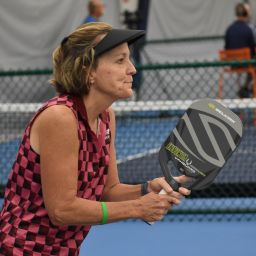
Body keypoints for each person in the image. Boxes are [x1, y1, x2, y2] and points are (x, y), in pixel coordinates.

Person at [0, 22, 191, 255]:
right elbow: (61, 210)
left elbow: (108, 189)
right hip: (20, 249)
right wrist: (137, 208)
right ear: (88, 70)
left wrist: (146, 188)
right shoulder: (60, 117)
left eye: (128, 59)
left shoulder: (106, 116)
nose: (132, 69)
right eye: (120, 61)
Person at [224, 2, 256, 98]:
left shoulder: (229, 29)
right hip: (247, 63)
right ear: (247, 13)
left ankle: (246, 88)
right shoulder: (250, 28)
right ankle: (247, 88)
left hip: (233, 64)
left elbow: (226, 48)